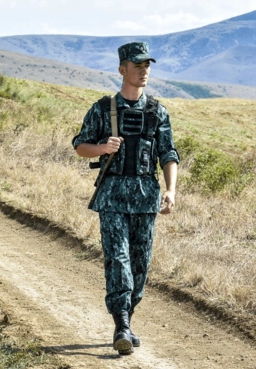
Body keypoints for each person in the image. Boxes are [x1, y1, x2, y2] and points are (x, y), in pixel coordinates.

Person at [72, 42, 179, 355]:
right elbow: (80, 146)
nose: (144, 71)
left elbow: (168, 153)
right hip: (113, 196)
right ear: (122, 70)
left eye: (147, 66)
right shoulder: (103, 108)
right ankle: (120, 324)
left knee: (140, 263)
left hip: (146, 198)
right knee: (118, 259)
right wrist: (103, 148)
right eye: (137, 66)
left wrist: (171, 191)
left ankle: (127, 322)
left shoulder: (157, 111)